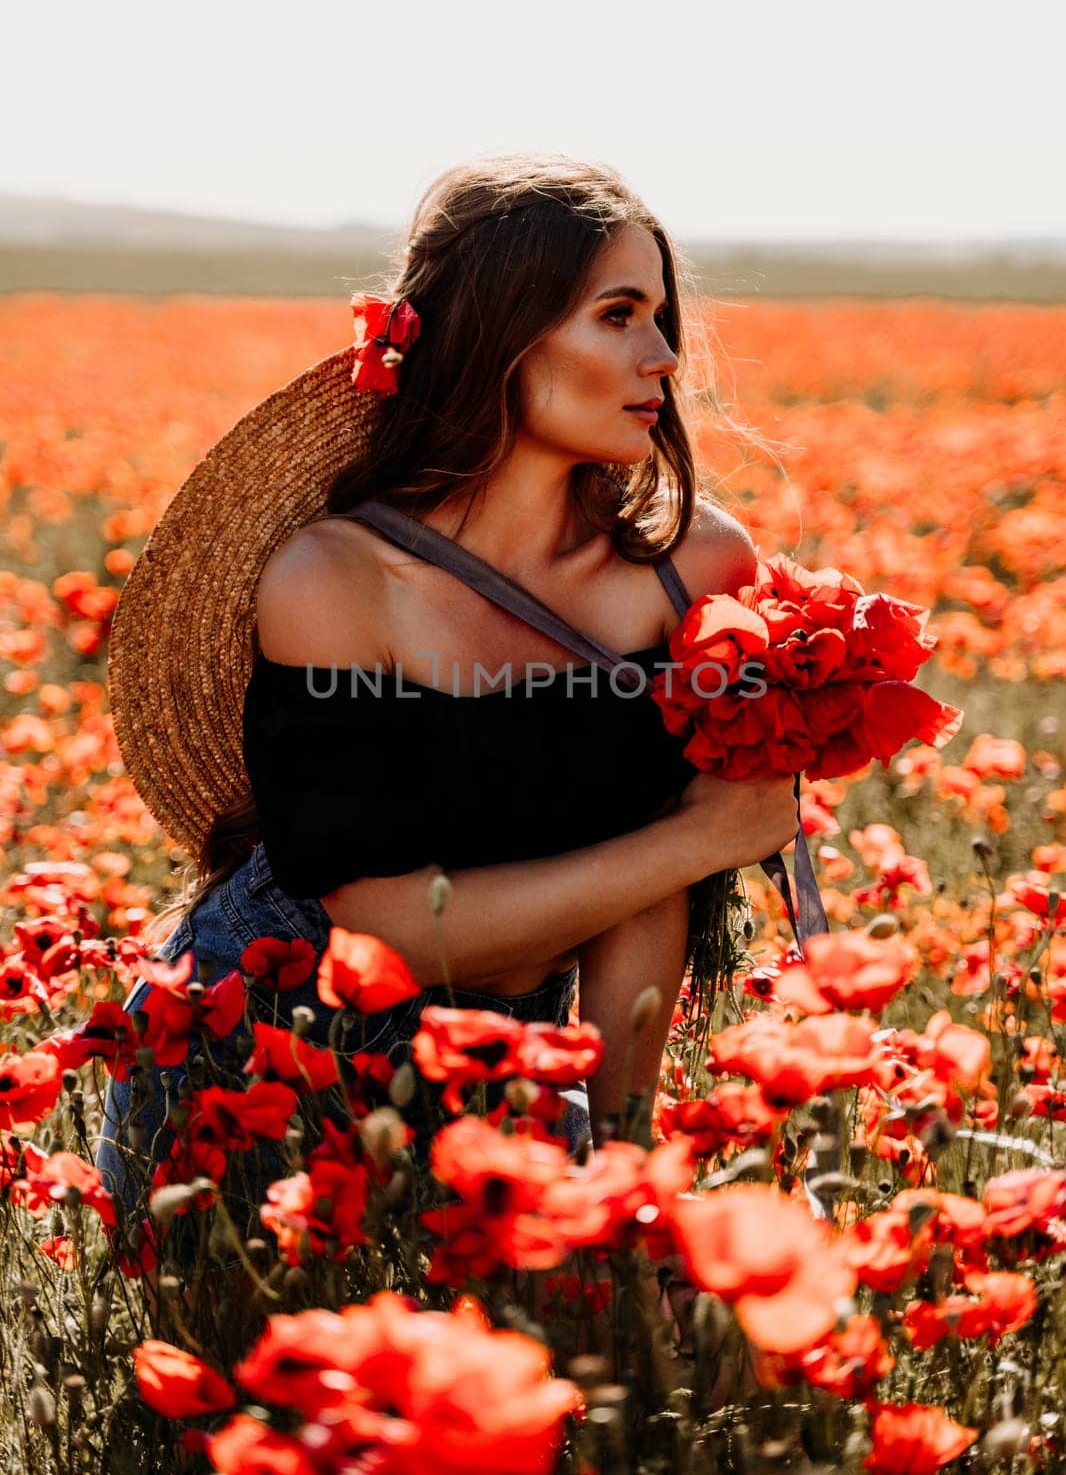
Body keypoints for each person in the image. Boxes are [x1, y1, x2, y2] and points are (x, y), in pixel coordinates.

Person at [97, 154, 799, 1234]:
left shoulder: (693, 571)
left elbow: (642, 902)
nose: (662, 355)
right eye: (618, 314)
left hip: (506, 1062)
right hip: (254, 1056)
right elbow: (390, 931)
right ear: (500, 335)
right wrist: (699, 839)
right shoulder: (337, 583)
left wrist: (620, 1171)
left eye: (660, 316)